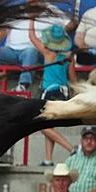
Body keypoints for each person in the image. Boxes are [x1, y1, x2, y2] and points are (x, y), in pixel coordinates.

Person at [0, 0, 72, 93]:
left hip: (37, 50)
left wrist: (60, 31)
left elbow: (70, 23)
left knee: (30, 50)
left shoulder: (51, 10)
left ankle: (23, 86)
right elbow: (4, 29)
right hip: (11, 50)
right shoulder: (18, 10)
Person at [29, 22, 78, 165]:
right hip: (63, 93)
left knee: (39, 125)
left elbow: (32, 36)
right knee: (48, 126)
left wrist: (31, 19)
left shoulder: (47, 52)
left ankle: (72, 148)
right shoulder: (69, 58)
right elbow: (73, 80)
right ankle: (48, 159)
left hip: (49, 93)